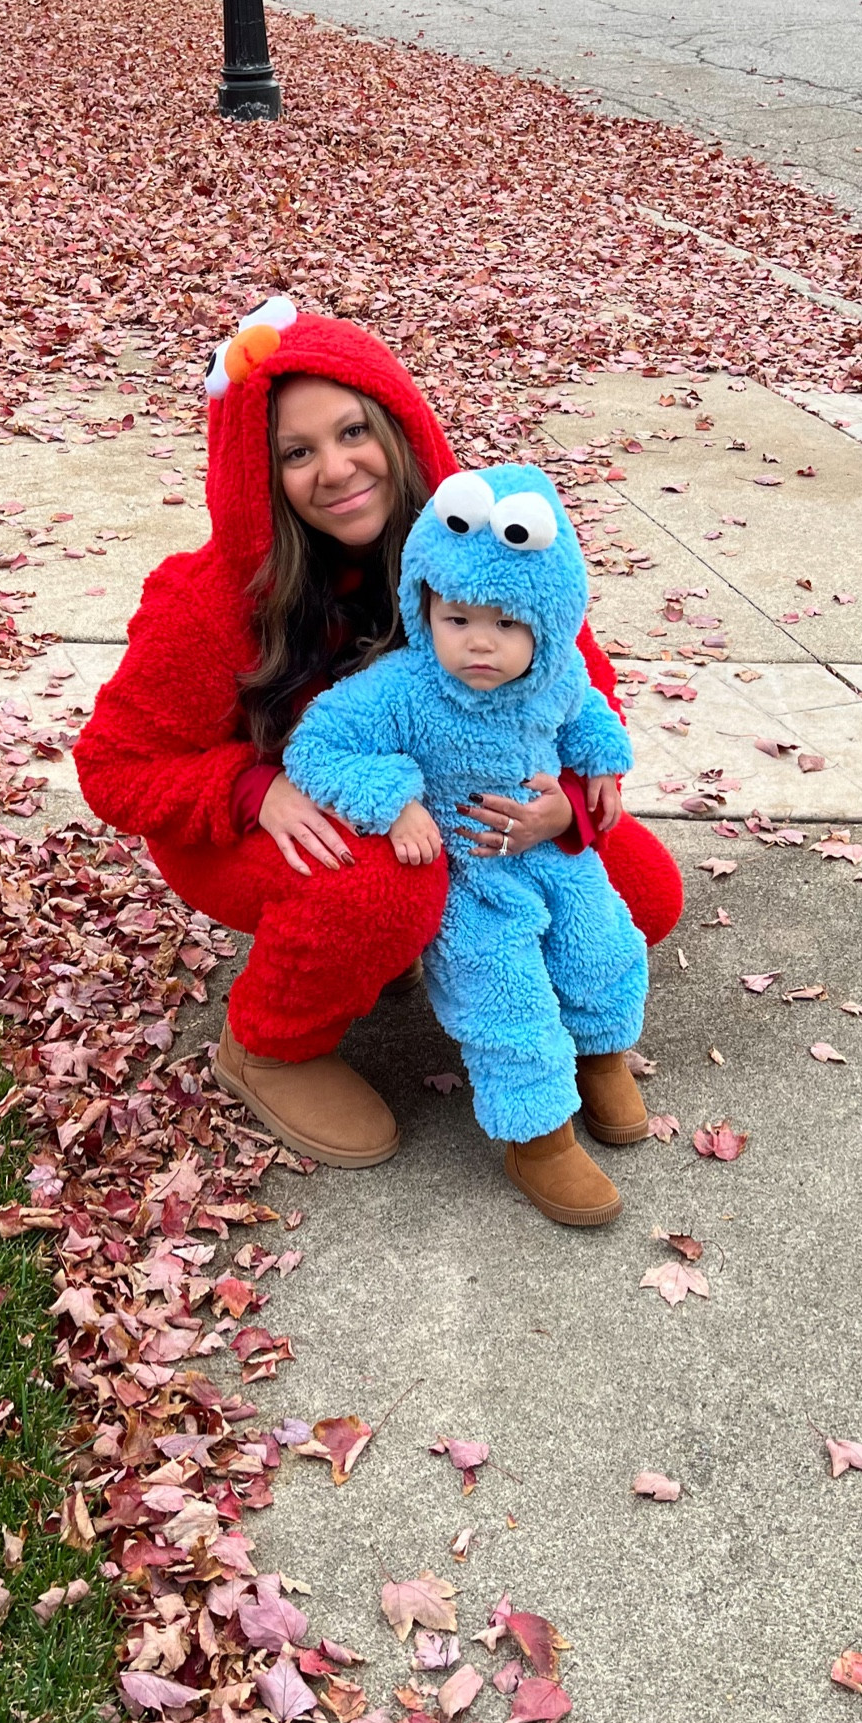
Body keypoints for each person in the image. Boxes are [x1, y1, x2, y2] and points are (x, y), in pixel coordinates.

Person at [73, 302, 684, 1174]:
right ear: (261, 470)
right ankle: (270, 1042)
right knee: (389, 886)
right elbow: (112, 767)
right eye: (296, 451)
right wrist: (254, 788)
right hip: (273, 817)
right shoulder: (207, 603)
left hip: (462, 805)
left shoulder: (466, 543)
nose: (334, 467)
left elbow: (573, 669)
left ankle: (459, 969)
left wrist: (570, 799)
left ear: (394, 424)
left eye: (351, 429)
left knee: (643, 895)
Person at [285, 464, 649, 1226]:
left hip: (551, 854)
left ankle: (601, 1054)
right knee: (502, 992)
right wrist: (394, 801)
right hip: (469, 873)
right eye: (456, 620)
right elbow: (316, 746)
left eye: (507, 625)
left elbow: (582, 709)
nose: (479, 644)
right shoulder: (402, 687)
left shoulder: (554, 672)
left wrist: (603, 759)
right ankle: (538, 1135)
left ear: (545, 623)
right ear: (426, 607)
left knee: (603, 943)